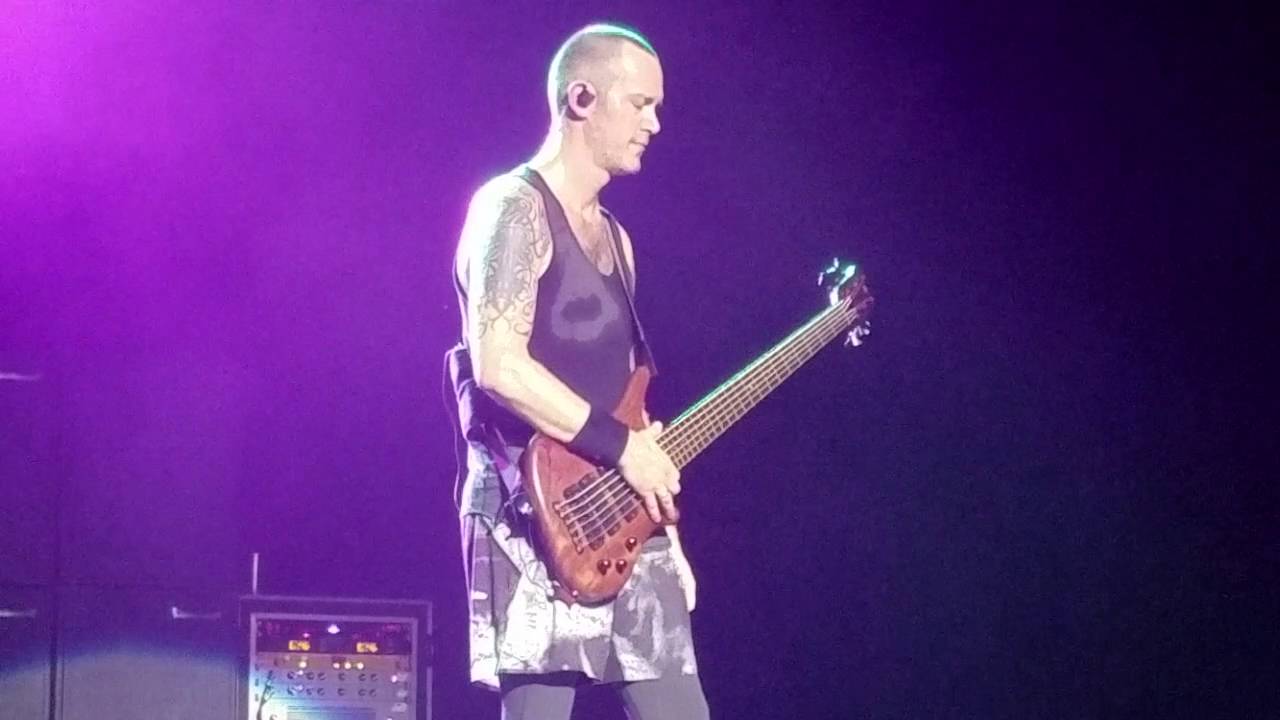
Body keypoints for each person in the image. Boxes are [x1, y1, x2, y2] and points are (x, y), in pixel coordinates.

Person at [446, 22, 710, 720]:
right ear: (582, 98)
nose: (655, 123)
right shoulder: (512, 208)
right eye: (641, 104)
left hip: (623, 514)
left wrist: (666, 533)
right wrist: (626, 450)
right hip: (530, 509)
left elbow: (632, 408)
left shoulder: (617, 240)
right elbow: (498, 364)